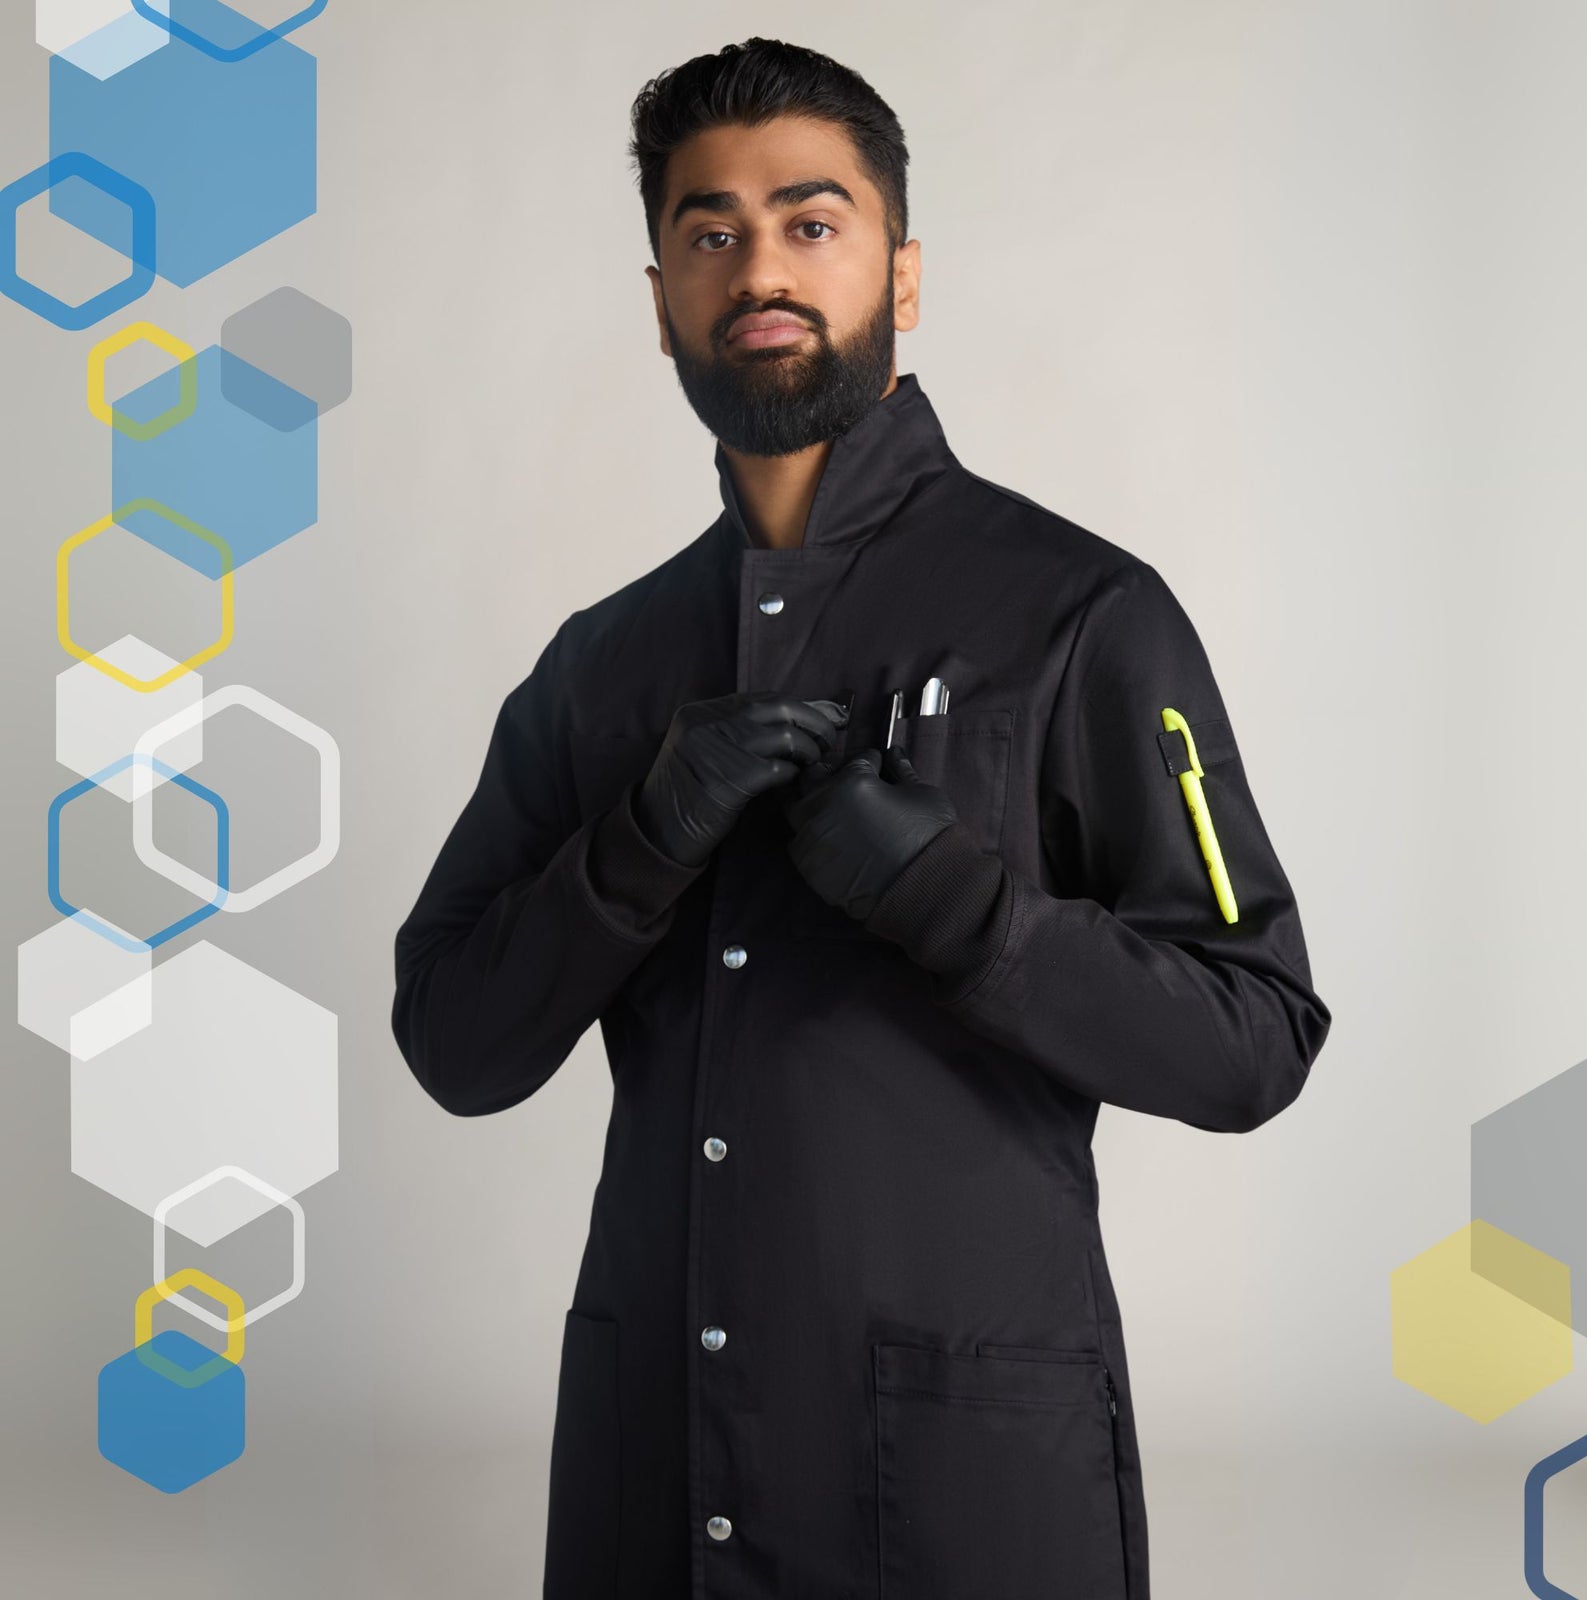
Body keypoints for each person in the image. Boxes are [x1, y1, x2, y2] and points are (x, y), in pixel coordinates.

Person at [391, 36, 1333, 1600]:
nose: (759, 264)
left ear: (901, 275)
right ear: (662, 300)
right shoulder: (603, 666)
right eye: (711, 231)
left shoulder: (1085, 614)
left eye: (811, 222)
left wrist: (971, 910)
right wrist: (629, 852)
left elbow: (1256, 1038)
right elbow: (454, 1041)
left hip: (969, 1488)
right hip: (656, 1472)